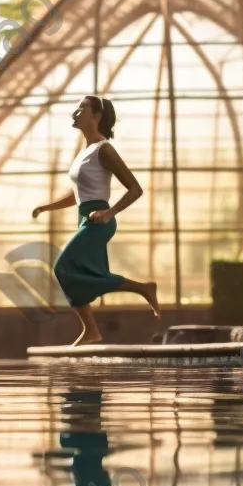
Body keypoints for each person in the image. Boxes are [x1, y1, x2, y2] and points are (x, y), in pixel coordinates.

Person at [33, 95, 160, 346]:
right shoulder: (84, 153)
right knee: (77, 273)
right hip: (85, 218)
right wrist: (46, 207)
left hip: (98, 221)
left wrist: (109, 213)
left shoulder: (104, 149)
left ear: (96, 115)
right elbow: (78, 195)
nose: (75, 112)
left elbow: (135, 188)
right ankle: (92, 330)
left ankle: (141, 289)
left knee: (62, 268)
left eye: (81, 108)